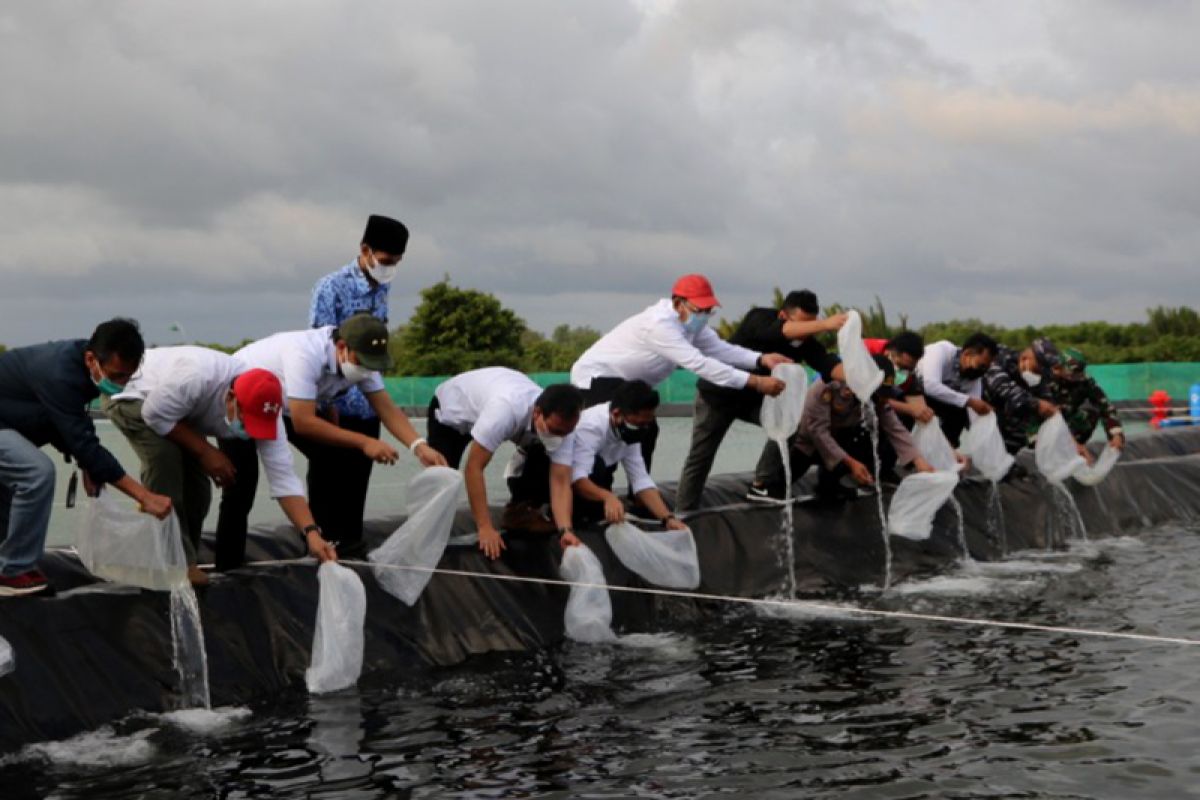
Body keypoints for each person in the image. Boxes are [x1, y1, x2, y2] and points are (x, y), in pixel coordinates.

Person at [104, 347, 338, 584]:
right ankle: (169, 565)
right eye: (247, 423)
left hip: (177, 411)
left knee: (199, 492)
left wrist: (311, 533)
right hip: (130, 396)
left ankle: (187, 560)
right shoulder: (196, 379)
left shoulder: (270, 411)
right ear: (230, 398)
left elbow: (284, 479)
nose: (248, 433)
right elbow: (153, 414)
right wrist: (206, 451)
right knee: (166, 461)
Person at [227, 313, 445, 565]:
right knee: (240, 483)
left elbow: (386, 408)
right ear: (342, 347)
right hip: (243, 399)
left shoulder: (363, 362)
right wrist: (365, 442)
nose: (366, 369)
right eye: (361, 361)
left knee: (336, 457)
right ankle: (229, 565)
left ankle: (328, 541)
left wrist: (419, 446)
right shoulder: (304, 354)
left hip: (289, 405)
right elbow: (304, 422)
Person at [0, 319, 173, 596]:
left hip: (11, 421)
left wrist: (86, 462)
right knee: (35, 473)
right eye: (115, 375)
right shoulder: (59, 373)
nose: (120, 384)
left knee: (9, 490)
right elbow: (82, 440)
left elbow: (69, 422)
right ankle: (11, 573)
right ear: (91, 358)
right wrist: (144, 496)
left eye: (127, 377)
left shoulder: (84, 367)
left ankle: (10, 565)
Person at [571, 274, 791, 480]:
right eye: (700, 310)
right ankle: (603, 492)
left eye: (709, 311)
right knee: (625, 429)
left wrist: (761, 359)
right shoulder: (660, 326)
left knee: (644, 429)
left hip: (626, 384)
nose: (704, 316)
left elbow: (721, 350)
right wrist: (756, 382)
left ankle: (637, 495)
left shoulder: (691, 326)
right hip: (598, 377)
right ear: (678, 304)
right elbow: (699, 363)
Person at [676, 289, 846, 511]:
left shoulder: (806, 344)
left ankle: (761, 485)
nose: (805, 334)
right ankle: (684, 513)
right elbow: (780, 332)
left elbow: (830, 366)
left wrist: (863, 376)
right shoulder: (760, 318)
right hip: (718, 395)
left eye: (811, 326)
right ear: (784, 315)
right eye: (803, 326)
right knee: (701, 457)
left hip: (753, 400)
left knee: (789, 424)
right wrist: (825, 325)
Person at [309, 214, 408, 564]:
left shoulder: (383, 287)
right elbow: (321, 344)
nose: (389, 268)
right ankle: (323, 543)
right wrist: (328, 404)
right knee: (328, 476)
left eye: (396, 263)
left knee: (357, 480)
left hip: (365, 402)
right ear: (365, 250)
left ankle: (351, 544)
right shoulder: (330, 287)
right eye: (384, 261)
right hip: (336, 401)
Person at [426, 368, 585, 558]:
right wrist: (485, 528)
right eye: (554, 430)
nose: (559, 437)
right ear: (537, 413)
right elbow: (474, 468)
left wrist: (565, 531)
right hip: (453, 413)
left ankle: (519, 513)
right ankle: (425, 537)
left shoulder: (565, 428)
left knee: (546, 457)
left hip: (497, 407)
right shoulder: (505, 411)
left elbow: (560, 481)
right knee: (442, 479)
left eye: (565, 433)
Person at [751, 356, 934, 501]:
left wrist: (919, 461)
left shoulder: (876, 399)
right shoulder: (827, 387)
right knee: (783, 482)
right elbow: (818, 433)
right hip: (807, 442)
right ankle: (768, 486)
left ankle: (832, 483)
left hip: (838, 440)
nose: (882, 399)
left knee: (861, 437)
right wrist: (850, 462)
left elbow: (894, 427)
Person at [571, 380, 689, 530]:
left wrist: (667, 518)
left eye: (646, 424)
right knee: (597, 465)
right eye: (638, 425)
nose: (642, 429)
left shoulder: (631, 433)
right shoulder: (590, 428)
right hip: (573, 480)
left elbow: (640, 479)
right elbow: (578, 479)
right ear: (617, 414)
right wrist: (608, 497)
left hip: (601, 475)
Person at [914, 332, 998, 446]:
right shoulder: (941, 352)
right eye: (981, 365)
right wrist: (970, 401)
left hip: (936, 400)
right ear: (967, 354)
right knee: (962, 403)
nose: (982, 371)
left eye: (986, 368)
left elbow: (974, 412)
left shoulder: (974, 377)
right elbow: (930, 385)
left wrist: (987, 423)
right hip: (913, 391)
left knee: (960, 413)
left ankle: (947, 452)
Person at [1045, 347, 1125, 461]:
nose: (1077, 377)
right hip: (1043, 424)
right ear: (1060, 368)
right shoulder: (1045, 380)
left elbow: (1105, 407)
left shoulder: (1083, 382)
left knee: (1090, 415)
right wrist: (1072, 444)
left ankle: (1076, 448)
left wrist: (1116, 434)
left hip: (1066, 420)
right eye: (1073, 373)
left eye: (1079, 373)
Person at [982, 339, 1060, 454]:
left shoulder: (1039, 377)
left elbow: (1048, 403)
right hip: (975, 406)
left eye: (1041, 372)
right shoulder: (1000, 356)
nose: (1038, 374)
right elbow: (1004, 388)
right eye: (1037, 370)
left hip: (1002, 414)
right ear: (1025, 358)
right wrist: (1037, 404)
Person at [879, 331, 935, 425]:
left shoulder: (908, 377)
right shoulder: (867, 351)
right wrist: (908, 408)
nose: (903, 372)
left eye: (909, 368)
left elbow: (918, 407)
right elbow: (871, 398)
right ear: (890, 352)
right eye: (901, 366)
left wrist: (923, 412)